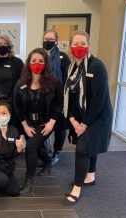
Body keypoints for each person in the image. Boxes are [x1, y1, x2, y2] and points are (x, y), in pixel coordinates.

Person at [63, 30, 112, 205]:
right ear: (70, 47)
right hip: (80, 117)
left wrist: (83, 124)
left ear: (88, 45)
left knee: (83, 148)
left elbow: (99, 100)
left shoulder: (97, 66)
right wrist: (73, 120)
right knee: (87, 145)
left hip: (98, 116)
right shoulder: (71, 68)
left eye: (83, 43)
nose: (79, 47)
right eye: (76, 44)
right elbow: (70, 96)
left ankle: (77, 187)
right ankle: (90, 175)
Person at [13, 48, 63, 194]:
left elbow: (59, 104)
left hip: (46, 123)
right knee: (36, 144)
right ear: (29, 63)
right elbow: (16, 105)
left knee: (31, 146)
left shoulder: (54, 82)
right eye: (34, 60)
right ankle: (47, 160)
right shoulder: (21, 82)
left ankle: (30, 180)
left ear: (46, 63)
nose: (37, 63)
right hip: (27, 123)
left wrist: (52, 122)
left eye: (41, 61)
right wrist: (24, 125)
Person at [42, 29, 71, 165]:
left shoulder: (63, 57)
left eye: (51, 39)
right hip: (43, 98)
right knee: (43, 126)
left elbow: (69, 78)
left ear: (56, 41)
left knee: (59, 127)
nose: (48, 41)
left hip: (59, 97)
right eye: (46, 39)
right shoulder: (40, 55)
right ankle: (45, 152)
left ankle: (57, 152)